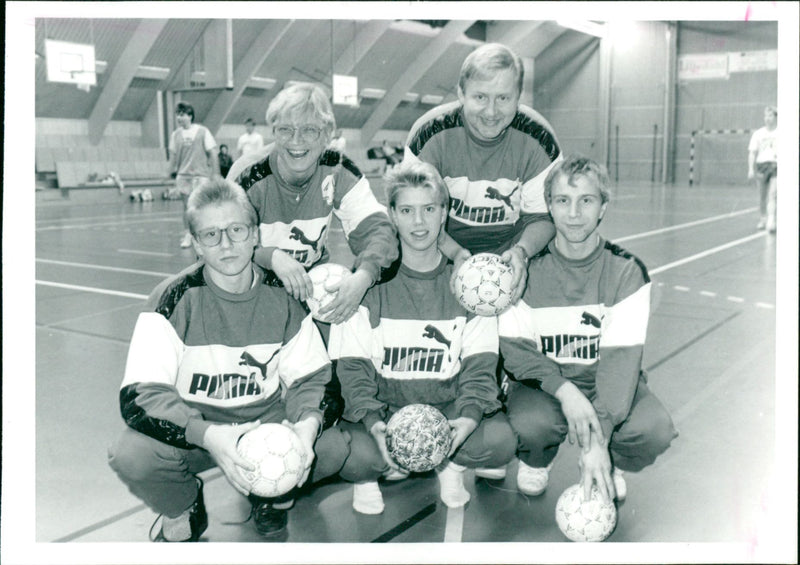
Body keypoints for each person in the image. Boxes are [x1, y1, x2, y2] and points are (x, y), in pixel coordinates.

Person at [107, 178, 351, 542]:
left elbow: (313, 378)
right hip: (198, 431)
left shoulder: (281, 298)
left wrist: (307, 426)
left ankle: (270, 495)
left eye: (236, 230)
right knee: (131, 455)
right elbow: (141, 396)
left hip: (263, 423)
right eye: (210, 235)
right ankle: (185, 506)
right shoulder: (172, 300)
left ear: (255, 235)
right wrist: (208, 434)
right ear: (194, 245)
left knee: (330, 447)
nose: (226, 244)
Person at [328, 161, 517, 514]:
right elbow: (353, 373)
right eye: (407, 211)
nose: (418, 222)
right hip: (385, 412)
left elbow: (480, 369)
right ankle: (372, 472)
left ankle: (450, 464)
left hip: (446, 410)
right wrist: (374, 425)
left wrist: (468, 418)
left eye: (429, 209)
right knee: (353, 456)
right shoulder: (367, 285)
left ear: (444, 213)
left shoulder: (468, 287)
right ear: (392, 215)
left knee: (500, 441)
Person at [497, 155, 677, 503]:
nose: (574, 213)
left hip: (604, 379)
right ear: (549, 206)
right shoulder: (524, 272)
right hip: (545, 386)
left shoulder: (626, 272)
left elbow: (621, 364)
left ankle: (611, 463)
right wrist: (566, 392)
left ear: (603, 207)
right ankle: (536, 460)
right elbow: (517, 354)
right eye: (563, 201)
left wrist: (599, 441)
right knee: (529, 426)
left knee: (652, 430)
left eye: (586, 201)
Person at [404, 42, 562, 305]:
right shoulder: (429, 134)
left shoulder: (539, 139)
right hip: (441, 249)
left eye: (503, 98)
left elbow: (544, 217)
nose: (491, 112)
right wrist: (454, 254)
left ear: (518, 95)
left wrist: (522, 253)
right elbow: (413, 216)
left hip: (513, 255)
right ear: (461, 93)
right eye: (480, 97)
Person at [231, 82, 398, 327]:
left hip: (310, 289)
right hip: (252, 290)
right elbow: (219, 249)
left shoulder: (337, 169)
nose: (296, 141)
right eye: (285, 130)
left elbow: (379, 230)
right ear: (273, 131)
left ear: (327, 133)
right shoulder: (247, 176)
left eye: (309, 130)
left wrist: (364, 275)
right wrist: (269, 256)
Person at [167, 102, 219, 248]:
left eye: (182, 114)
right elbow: (172, 157)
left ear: (190, 115)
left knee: (201, 207)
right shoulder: (175, 135)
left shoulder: (202, 131)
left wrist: (216, 174)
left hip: (200, 176)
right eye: (177, 114)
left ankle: (205, 234)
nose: (179, 117)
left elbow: (213, 152)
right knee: (186, 207)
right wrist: (167, 174)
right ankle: (188, 234)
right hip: (183, 176)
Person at [747, 105, 777, 232]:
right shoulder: (758, 134)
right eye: (766, 116)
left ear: (776, 117)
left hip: (776, 165)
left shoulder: (782, 132)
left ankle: (772, 220)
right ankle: (763, 218)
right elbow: (752, 152)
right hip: (762, 166)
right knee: (762, 195)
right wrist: (750, 169)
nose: (767, 118)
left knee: (773, 194)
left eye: (770, 115)